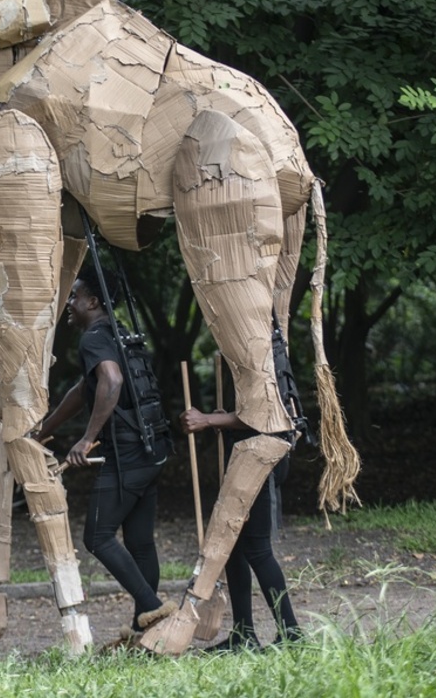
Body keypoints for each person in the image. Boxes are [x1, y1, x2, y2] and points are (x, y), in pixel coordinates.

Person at [37, 269, 174, 640]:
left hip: (128, 453)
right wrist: (44, 431)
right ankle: (141, 631)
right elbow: (86, 389)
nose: (70, 303)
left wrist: (87, 439)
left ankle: (152, 609)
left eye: (75, 296)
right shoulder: (119, 330)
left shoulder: (93, 338)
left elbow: (111, 382)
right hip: (154, 448)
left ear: (93, 302)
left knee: (97, 536)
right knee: (140, 541)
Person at [180, 406, 303, 651]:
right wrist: (224, 418)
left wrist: (208, 419)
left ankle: (292, 634)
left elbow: (266, 414)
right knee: (234, 547)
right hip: (252, 456)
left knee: (257, 549)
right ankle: (243, 634)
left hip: (259, 458)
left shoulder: (265, 364)